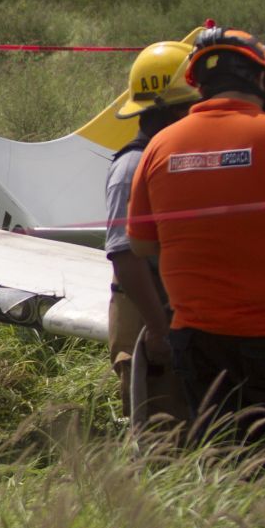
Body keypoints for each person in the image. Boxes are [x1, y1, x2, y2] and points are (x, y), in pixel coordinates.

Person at [126, 26, 265, 471]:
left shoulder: (159, 146)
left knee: (228, 461)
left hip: (197, 338)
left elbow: (140, 242)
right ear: (263, 79)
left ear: (199, 83)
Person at [104, 40, 196, 435]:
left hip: (178, 316)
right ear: (176, 110)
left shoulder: (177, 157)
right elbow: (125, 257)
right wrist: (159, 331)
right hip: (150, 320)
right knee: (165, 441)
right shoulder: (132, 168)